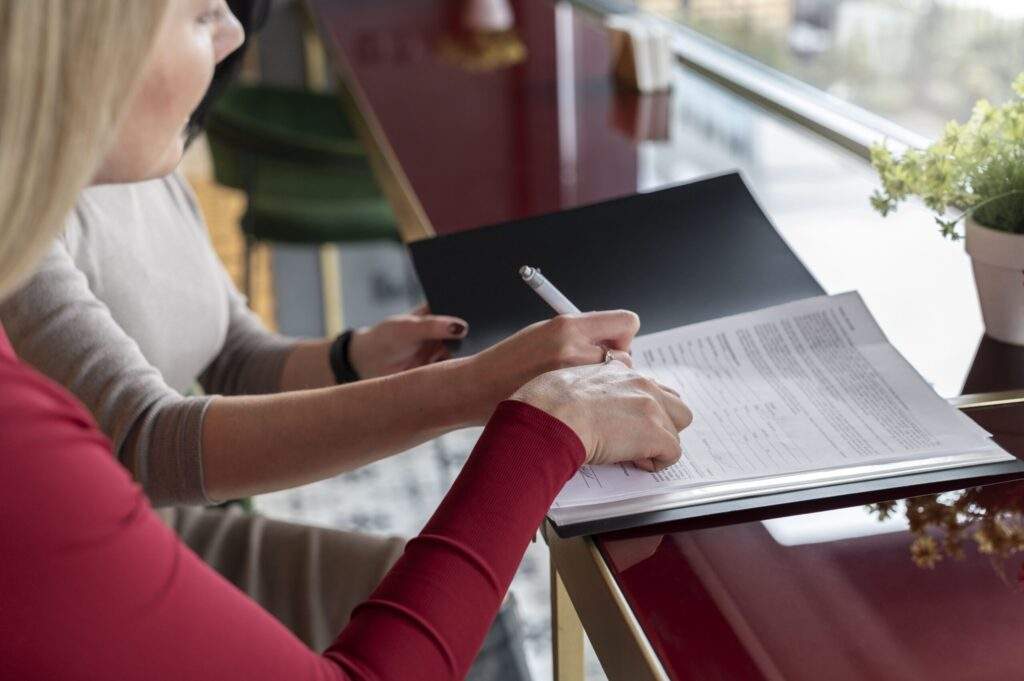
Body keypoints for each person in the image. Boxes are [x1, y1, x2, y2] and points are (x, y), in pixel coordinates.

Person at [0, 1, 692, 679]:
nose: (236, 31)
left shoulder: (140, 161)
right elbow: (149, 439)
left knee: (468, 612)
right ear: (91, 41)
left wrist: (355, 354)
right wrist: (498, 398)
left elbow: (232, 352)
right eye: (202, 13)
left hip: (139, 531)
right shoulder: (23, 236)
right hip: (115, 544)